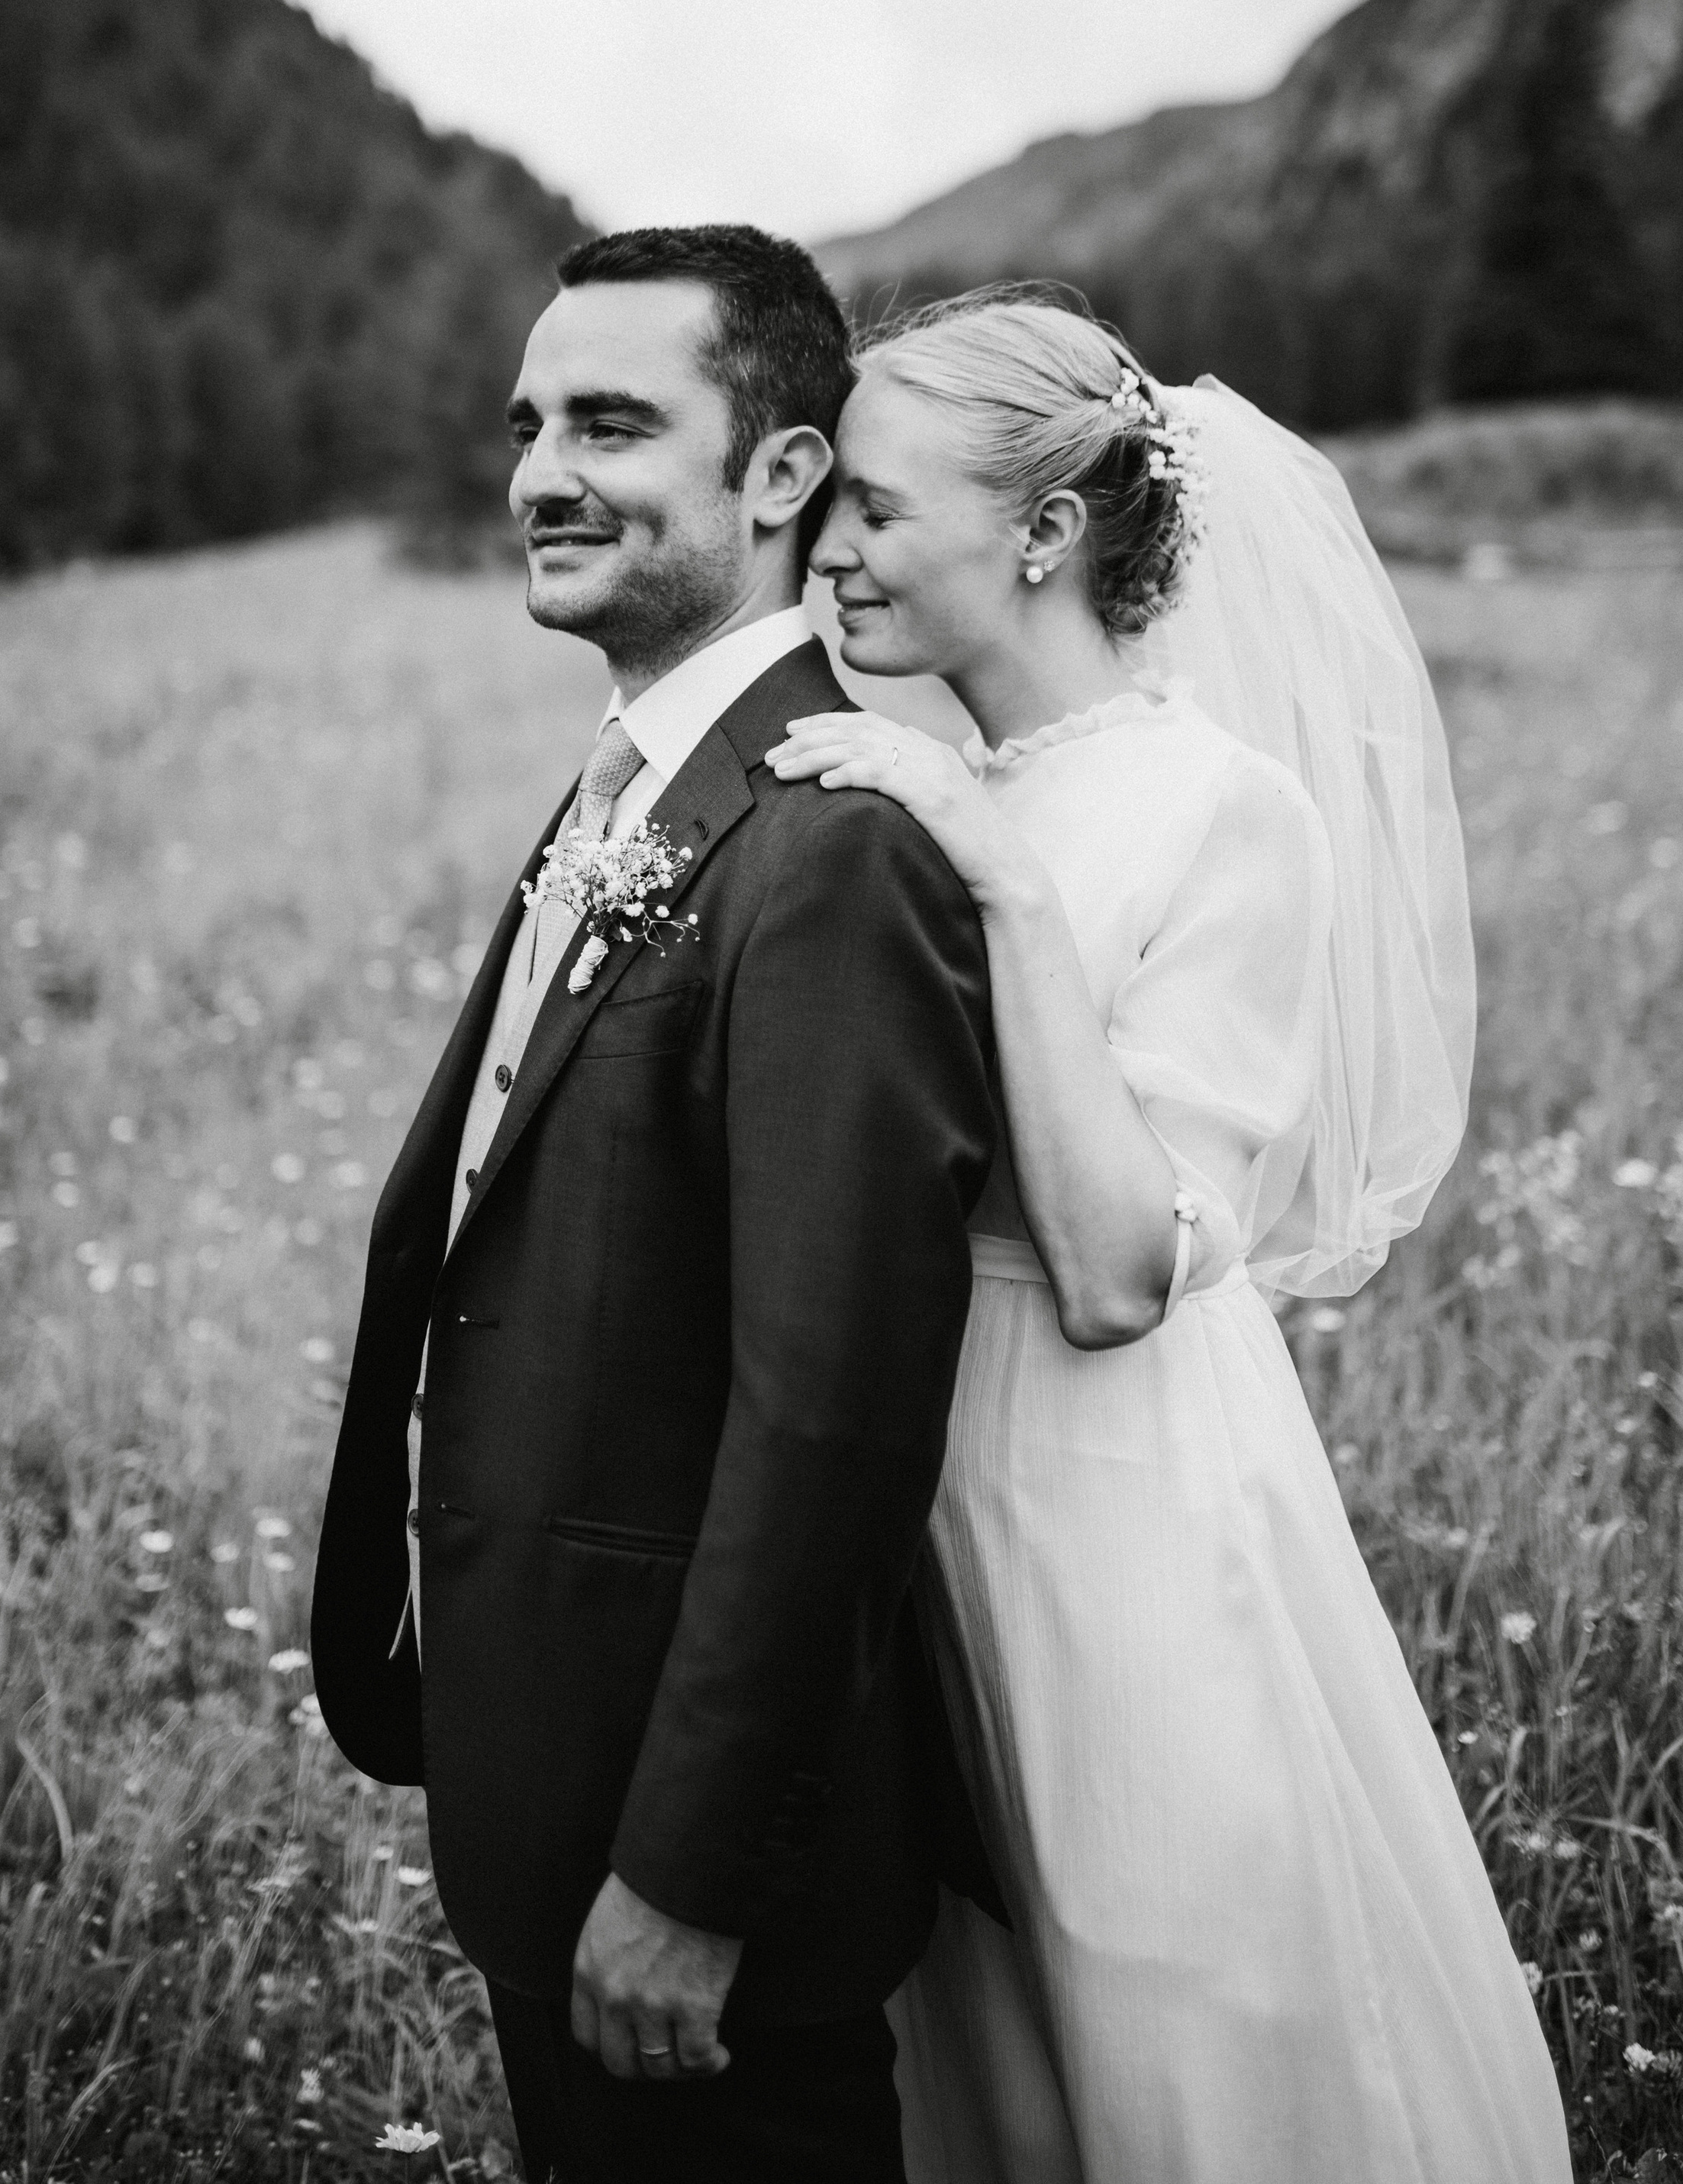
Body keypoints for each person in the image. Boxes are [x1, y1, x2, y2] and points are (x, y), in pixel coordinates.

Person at [769, 287, 1574, 2183]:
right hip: (912, 1489)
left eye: (878, 506)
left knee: (1162, 2001)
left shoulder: (1223, 811)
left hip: (1105, 1502)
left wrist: (997, 880)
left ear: (1041, 532)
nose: (832, 547)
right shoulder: (924, 786)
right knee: (977, 2026)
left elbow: (1121, 1268)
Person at [311, 227, 1004, 2184]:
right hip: (552, 1774)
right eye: (529, 421)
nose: (540, 470)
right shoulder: (633, 784)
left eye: (612, 422)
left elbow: (833, 1418)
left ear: (781, 473)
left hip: (694, 1879)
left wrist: (692, 1873)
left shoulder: (831, 849)